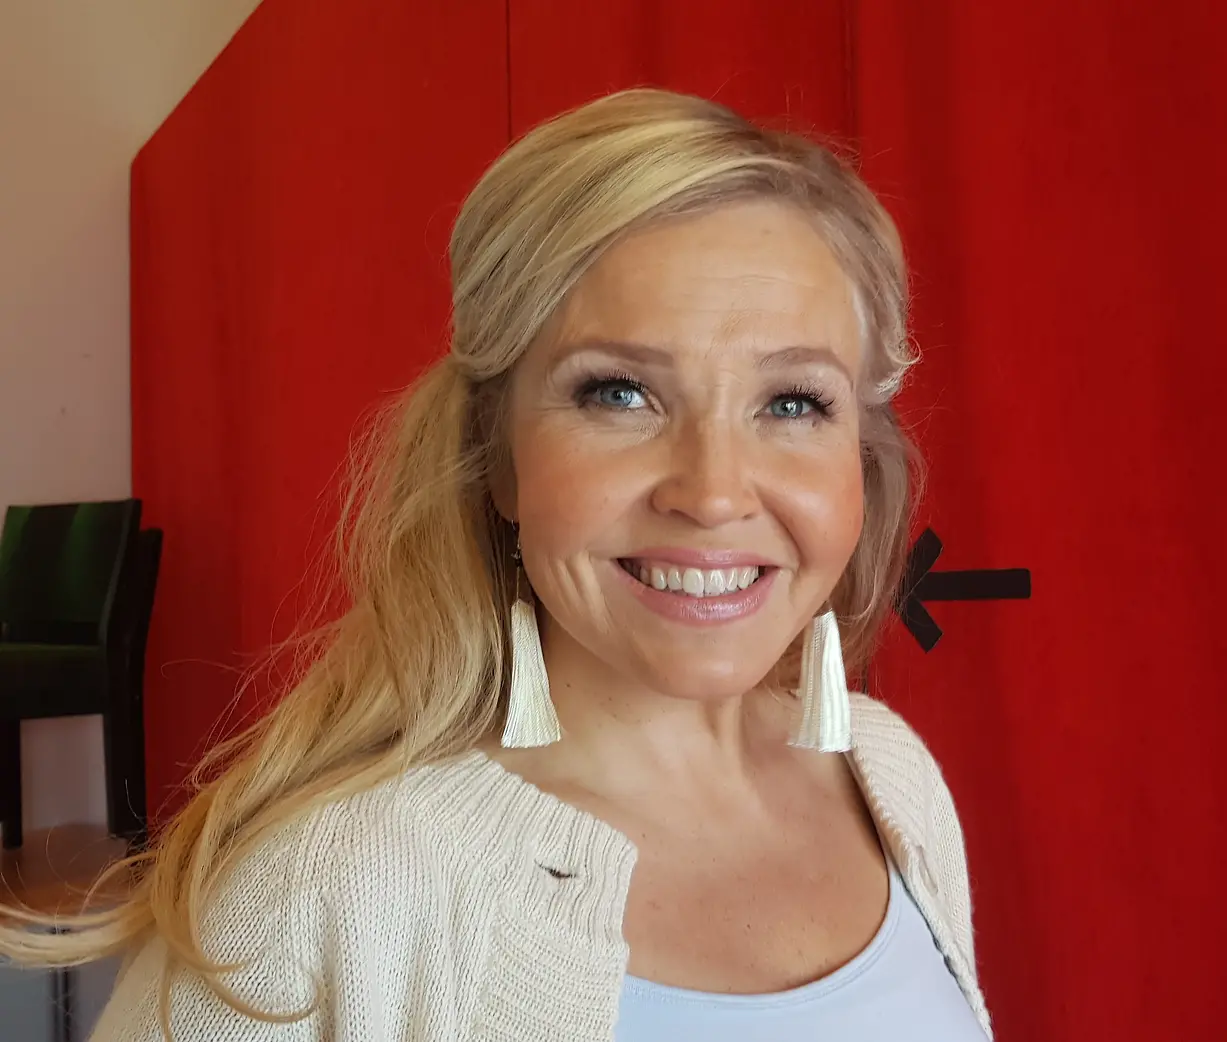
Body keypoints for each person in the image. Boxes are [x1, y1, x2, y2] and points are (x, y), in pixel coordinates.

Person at [0, 88, 992, 1041]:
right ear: (497, 457)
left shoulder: (891, 779)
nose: (714, 491)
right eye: (619, 393)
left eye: (793, 403)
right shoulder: (324, 886)